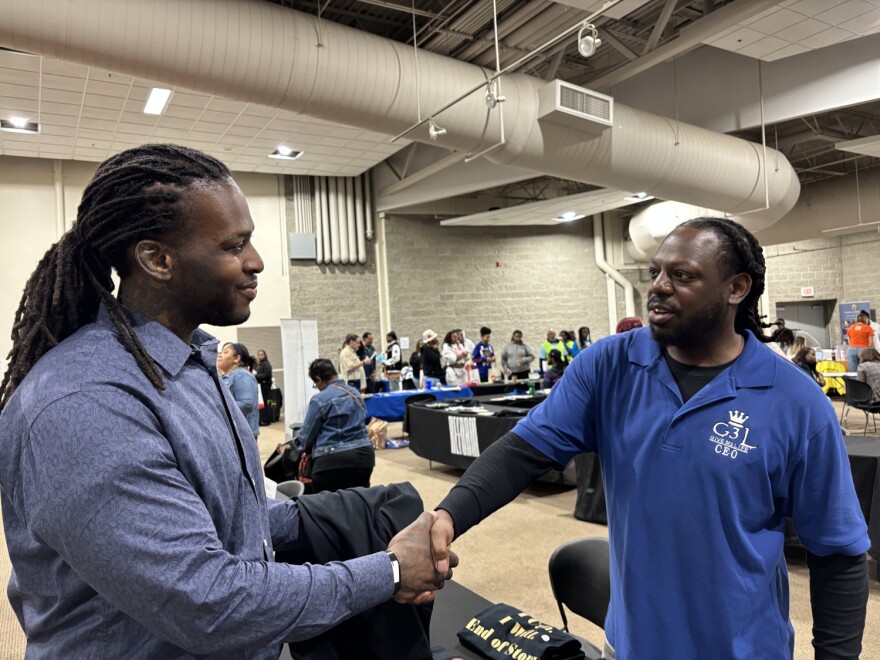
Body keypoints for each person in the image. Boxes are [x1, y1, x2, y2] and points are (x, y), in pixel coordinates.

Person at [0, 144, 452, 657]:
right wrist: (389, 572)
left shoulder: (193, 365)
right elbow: (207, 602)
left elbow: (227, 518)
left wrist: (359, 516)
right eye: (234, 246)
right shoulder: (85, 404)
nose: (256, 262)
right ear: (157, 259)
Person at [430, 218, 869, 659]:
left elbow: (839, 553)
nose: (658, 286)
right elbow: (522, 452)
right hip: (628, 648)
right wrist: (447, 518)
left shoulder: (795, 400)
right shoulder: (607, 366)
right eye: (655, 271)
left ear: (736, 288)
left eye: (683, 275)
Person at [298, 359, 375, 493]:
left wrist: (293, 446)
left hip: (332, 461)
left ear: (318, 379)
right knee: (360, 501)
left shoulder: (319, 399)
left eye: (316, 385)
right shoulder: (355, 393)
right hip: (365, 457)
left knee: (327, 503)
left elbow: (307, 436)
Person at [217, 341, 260, 437]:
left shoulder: (242, 375)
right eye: (221, 352)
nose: (219, 355)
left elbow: (246, 404)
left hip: (242, 434)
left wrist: (218, 408)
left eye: (225, 352)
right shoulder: (229, 376)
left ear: (236, 358)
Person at [255, 349, 274, 425]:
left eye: (261, 355)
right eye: (258, 355)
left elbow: (267, 375)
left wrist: (256, 376)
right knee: (262, 403)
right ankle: (263, 419)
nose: (260, 356)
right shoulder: (260, 364)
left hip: (265, 385)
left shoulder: (266, 364)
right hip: (261, 385)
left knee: (265, 403)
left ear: (265, 355)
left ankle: (266, 420)